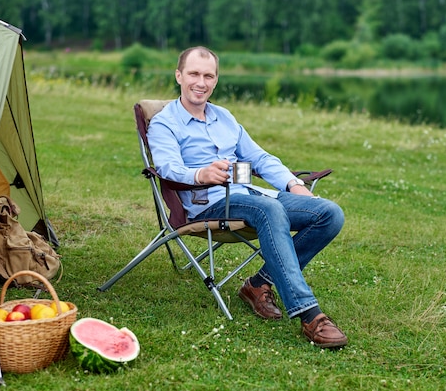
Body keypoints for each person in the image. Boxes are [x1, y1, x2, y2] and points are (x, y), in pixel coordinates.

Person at [146, 46, 347, 348]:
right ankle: (310, 314)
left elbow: (260, 159)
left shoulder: (224, 117)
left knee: (329, 213)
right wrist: (201, 174)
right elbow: (167, 167)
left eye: (208, 75)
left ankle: (258, 284)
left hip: (250, 195)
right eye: (194, 74)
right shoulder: (164, 122)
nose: (201, 82)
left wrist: (294, 184)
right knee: (269, 209)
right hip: (207, 205)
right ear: (179, 76)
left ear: (215, 80)